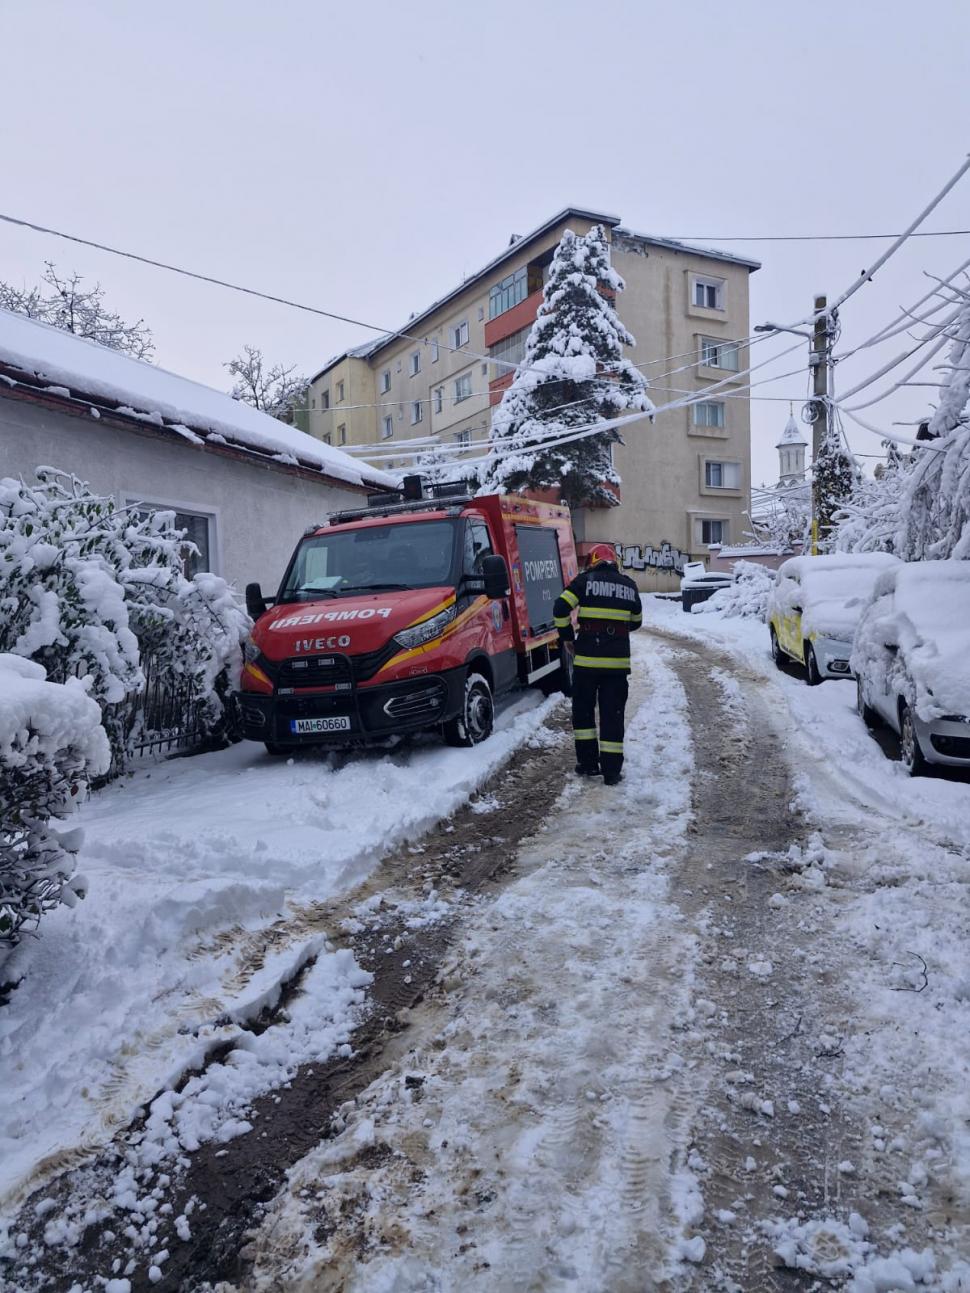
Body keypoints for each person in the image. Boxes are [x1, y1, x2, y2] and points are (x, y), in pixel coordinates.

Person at [553, 544, 642, 785]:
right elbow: (636, 621)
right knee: (613, 716)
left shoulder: (583, 581)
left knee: (583, 714)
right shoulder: (629, 585)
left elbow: (560, 607)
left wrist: (568, 638)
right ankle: (612, 772)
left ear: (592, 562)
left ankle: (588, 764)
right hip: (616, 666)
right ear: (614, 562)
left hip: (586, 664)